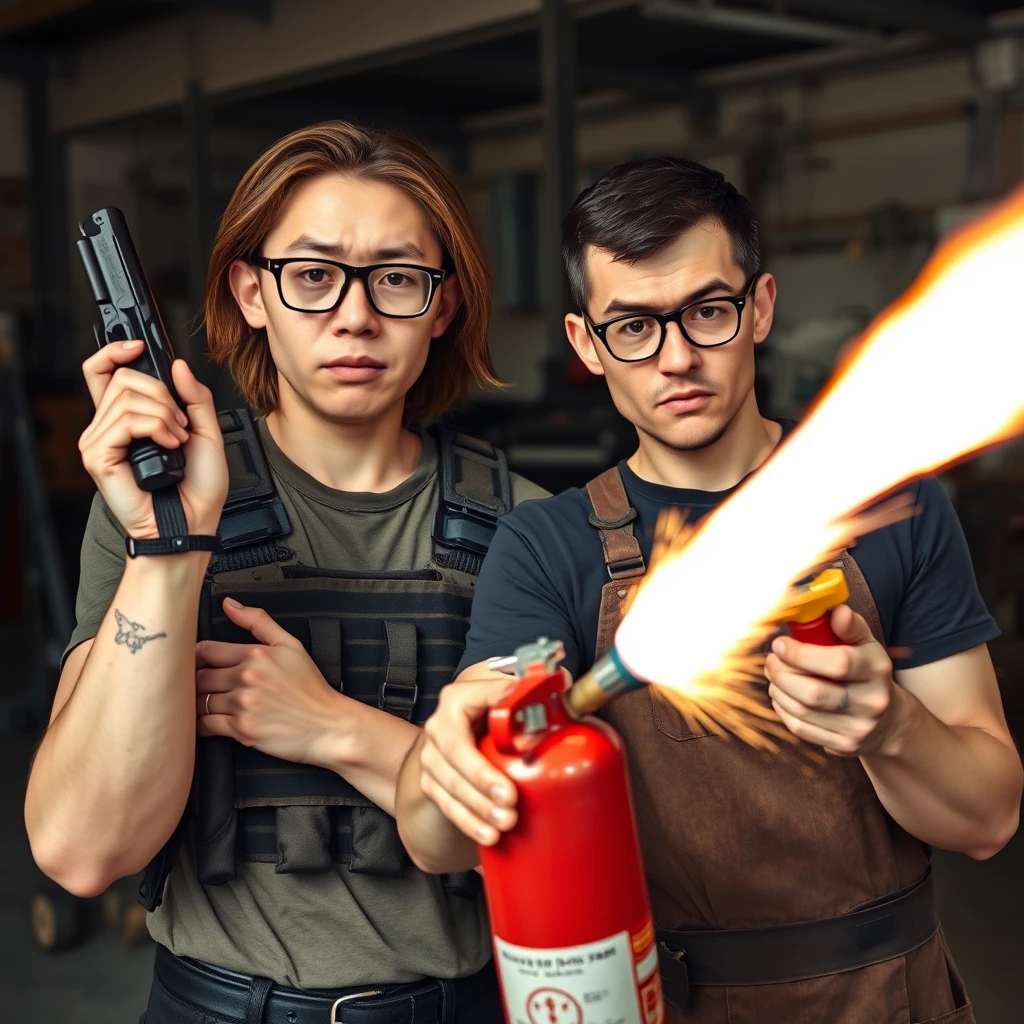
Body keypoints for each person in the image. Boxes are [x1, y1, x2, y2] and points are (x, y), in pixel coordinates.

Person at [395, 156, 1023, 1023]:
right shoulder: (547, 548)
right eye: (635, 328)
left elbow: (988, 819)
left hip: (888, 998)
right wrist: (448, 758)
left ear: (759, 306)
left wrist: (892, 727)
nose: (678, 357)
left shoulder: (895, 510)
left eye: (708, 312)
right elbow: (438, 844)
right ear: (586, 344)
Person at [25, 121, 547, 1024]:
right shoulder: (157, 504)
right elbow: (81, 850)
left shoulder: (529, 528)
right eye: (312, 276)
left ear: (444, 305)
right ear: (251, 292)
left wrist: (329, 725)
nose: (355, 315)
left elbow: (539, 830)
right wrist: (170, 546)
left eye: (396, 278)